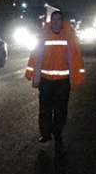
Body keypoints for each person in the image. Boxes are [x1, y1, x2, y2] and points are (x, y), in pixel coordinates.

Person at [25, 10, 85, 156]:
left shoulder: (69, 36)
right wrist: (32, 74)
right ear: (50, 21)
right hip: (46, 81)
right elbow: (35, 55)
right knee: (45, 110)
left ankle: (57, 132)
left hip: (63, 82)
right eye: (54, 19)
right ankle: (46, 135)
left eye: (58, 19)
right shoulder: (43, 36)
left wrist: (77, 78)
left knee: (60, 110)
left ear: (62, 21)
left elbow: (77, 58)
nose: (56, 22)